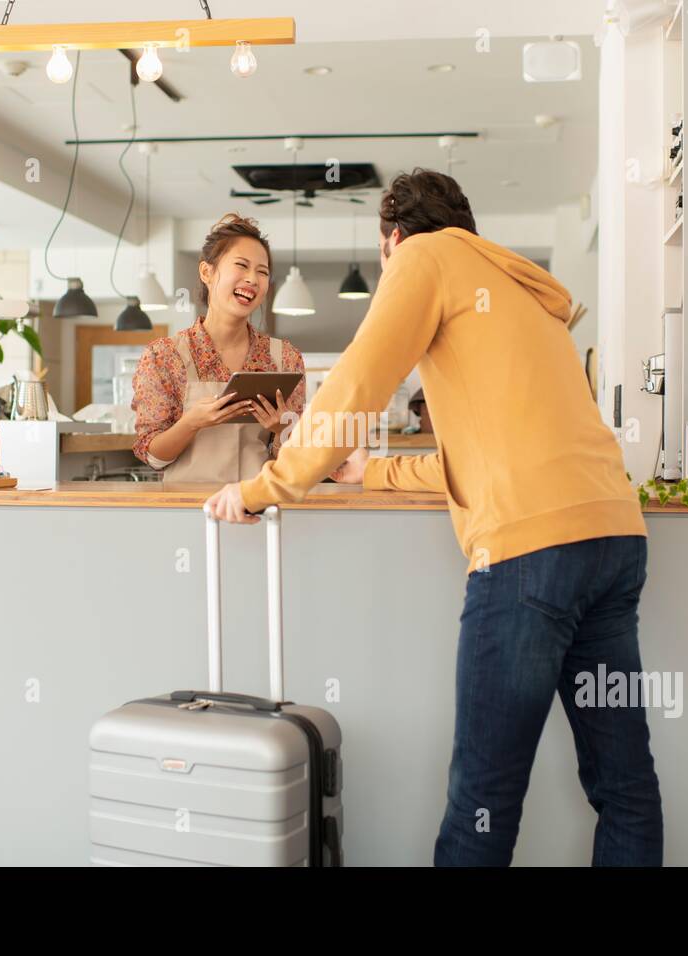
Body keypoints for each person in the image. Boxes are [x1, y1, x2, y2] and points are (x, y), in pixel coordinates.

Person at [205, 169, 662, 867]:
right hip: (613, 536)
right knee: (624, 783)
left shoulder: (422, 258)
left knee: (484, 794)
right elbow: (485, 454)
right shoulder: (514, 285)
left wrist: (268, 486)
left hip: (528, 555)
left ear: (391, 242)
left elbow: (358, 384)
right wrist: (376, 472)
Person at [131, 214, 305, 482]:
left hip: (259, 508)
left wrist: (282, 429)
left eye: (262, 272)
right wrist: (192, 422)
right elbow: (154, 456)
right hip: (188, 512)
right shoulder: (164, 356)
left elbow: (302, 459)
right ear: (206, 272)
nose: (253, 279)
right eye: (241, 266)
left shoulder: (285, 358)